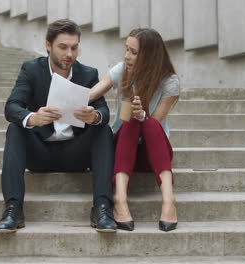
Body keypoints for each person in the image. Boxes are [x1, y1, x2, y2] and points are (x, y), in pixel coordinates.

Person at [0, 19, 117, 233]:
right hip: (40, 153)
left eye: (74, 47)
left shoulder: (88, 74)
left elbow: (104, 112)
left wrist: (94, 116)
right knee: (15, 128)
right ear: (48, 45)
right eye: (63, 47)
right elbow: (11, 107)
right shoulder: (31, 70)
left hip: (75, 153)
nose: (69, 54)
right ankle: (13, 209)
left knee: (103, 129)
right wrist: (32, 118)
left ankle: (102, 208)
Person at [89, 28, 180, 232]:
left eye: (133, 52)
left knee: (148, 123)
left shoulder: (170, 82)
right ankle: (120, 199)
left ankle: (168, 201)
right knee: (130, 122)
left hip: (153, 155)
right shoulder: (122, 70)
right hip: (122, 150)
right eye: (126, 49)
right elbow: (92, 94)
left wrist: (142, 116)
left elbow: (154, 124)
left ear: (149, 56)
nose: (126, 56)